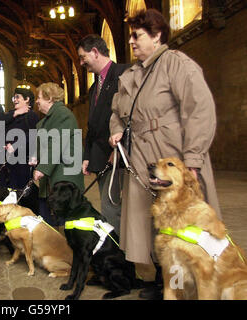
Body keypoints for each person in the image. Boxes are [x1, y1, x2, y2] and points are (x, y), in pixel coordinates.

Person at [108, 9, 221, 299]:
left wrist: (193, 159)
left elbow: (200, 111)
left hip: (172, 154)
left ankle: (182, 283)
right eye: (131, 36)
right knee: (147, 221)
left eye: (137, 36)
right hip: (140, 156)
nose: (131, 41)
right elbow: (116, 111)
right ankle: (159, 277)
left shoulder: (177, 64)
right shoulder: (131, 74)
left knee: (180, 223)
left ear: (157, 36)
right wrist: (117, 128)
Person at [77, 34, 129, 235]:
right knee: (109, 208)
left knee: (115, 207)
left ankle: (120, 254)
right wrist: (87, 156)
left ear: (95, 52)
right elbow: (93, 125)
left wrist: (122, 146)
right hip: (100, 156)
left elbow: (130, 115)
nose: (81, 63)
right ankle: (115, 249)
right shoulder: (93, 88)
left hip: (120, 154)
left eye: (83, 57)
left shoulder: (124, 73)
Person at [33, 82, 84, 227]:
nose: (37, 101)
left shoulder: (62, 114)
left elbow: (57, 143)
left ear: (49, 98)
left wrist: (42, 168)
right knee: (47, 217)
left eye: (40, 97)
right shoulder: (49, 119)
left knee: (64, 222)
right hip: (52, 178)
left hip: (63, 178)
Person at [0, 87, 39, 189]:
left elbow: (33, 135)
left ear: (27, 99)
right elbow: (0, 124)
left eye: (18, 97)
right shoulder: (12, 114)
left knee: (22, 189)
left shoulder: (31, 115)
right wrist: (15, 113)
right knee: (11, 188)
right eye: (14, 98)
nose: (15, 100)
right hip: (10, 158)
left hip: (23, 160)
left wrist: (15, 145)